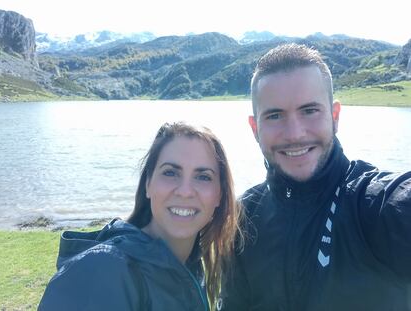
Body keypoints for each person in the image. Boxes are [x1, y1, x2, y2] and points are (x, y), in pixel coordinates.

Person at [221, 43, 411, 311]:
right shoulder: (243, 217)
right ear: (255, 128)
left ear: (335, 116)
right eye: (275, 115)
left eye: (309, 110)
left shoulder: (374, 203)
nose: (295, 133)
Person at [38, 122, 243, 311]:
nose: (185, 191)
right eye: (170, 173)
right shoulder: (104, 270)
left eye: (203, 177)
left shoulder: (190, 268)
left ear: (220, 195)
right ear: (148, 184)